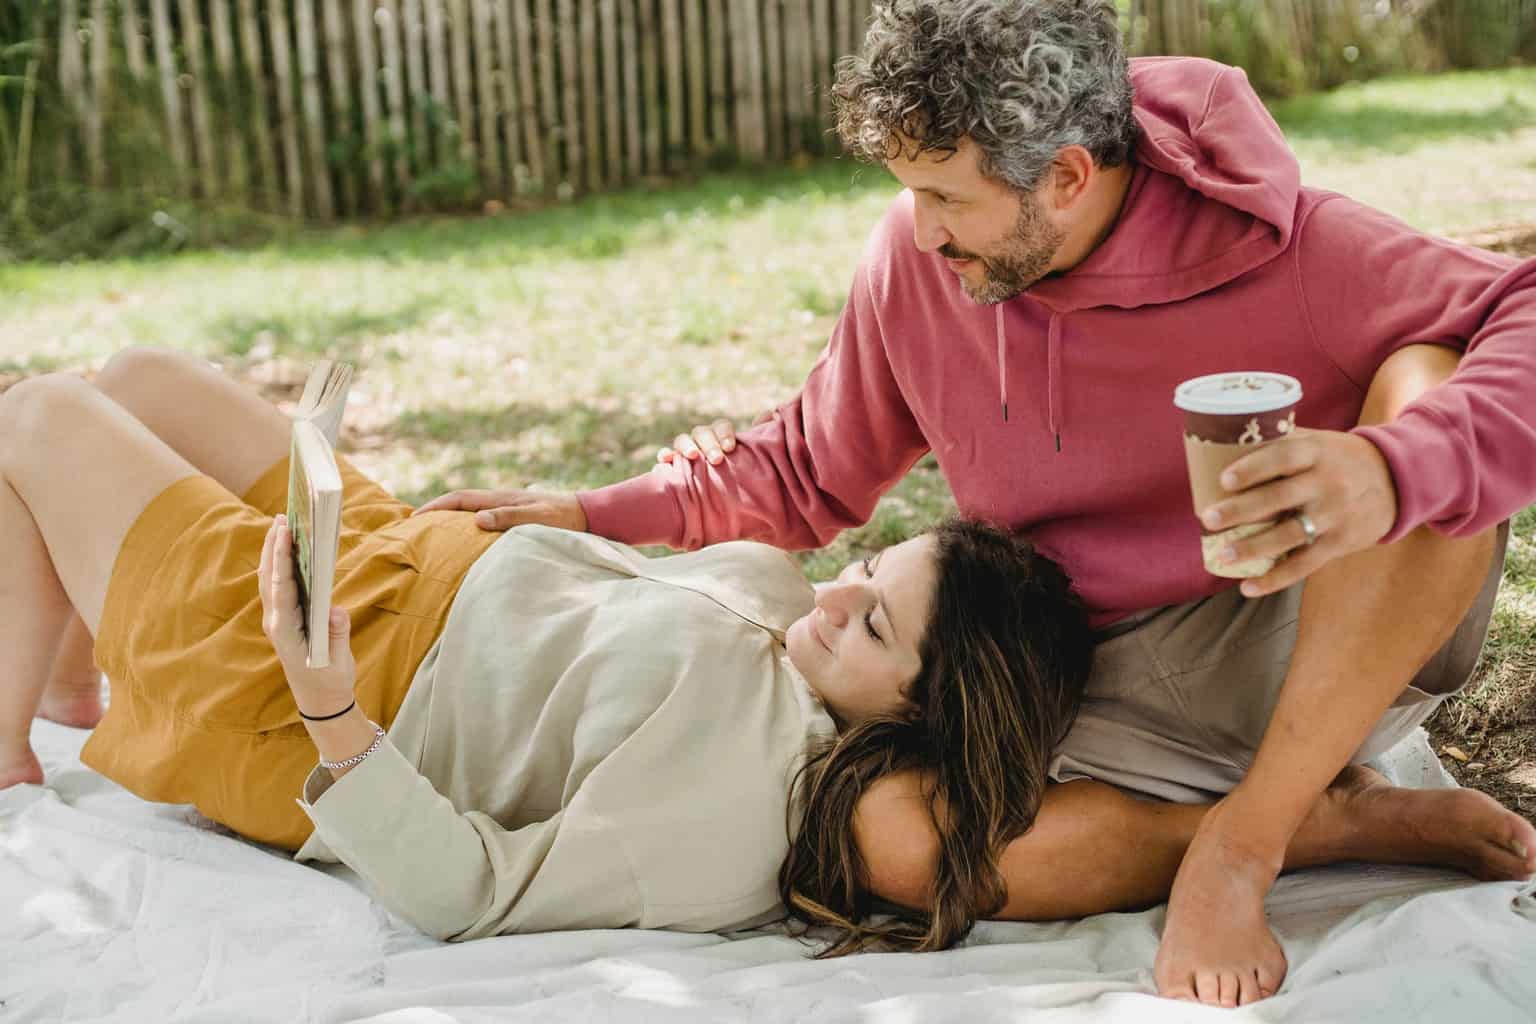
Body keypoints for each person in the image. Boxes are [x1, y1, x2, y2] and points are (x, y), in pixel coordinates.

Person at [410, 0, 1536, 1004]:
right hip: (1058, 675)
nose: (923, 228)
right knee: (893, 846)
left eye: (947, 195)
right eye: (911, 192)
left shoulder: (1290, 247)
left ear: (1067, 178)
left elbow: (1518, 309)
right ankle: (1334, 827)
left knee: (1429, 386)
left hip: (1292, 641)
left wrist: (1392, 467)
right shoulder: (920, 258)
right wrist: (594, 511)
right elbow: (806, 468)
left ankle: (1246, 841)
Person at [4, 352, 1532, 961]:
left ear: (917, 712)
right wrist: (568, 515)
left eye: (870, 623)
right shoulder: (808, 653)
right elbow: (764, 528)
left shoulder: (739, 792)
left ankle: (19, 748)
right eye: (866, 574)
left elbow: (470, 891)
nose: (833, 601)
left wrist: (334, 712)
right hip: (412, 568)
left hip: (329, 677)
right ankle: (72, 680)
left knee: (41, 416)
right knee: (140, 377)